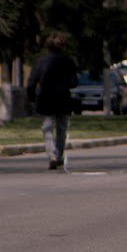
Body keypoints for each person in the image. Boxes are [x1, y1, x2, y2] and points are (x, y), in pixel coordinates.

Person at [25, 33, 79, 171]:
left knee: (47, 127)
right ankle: (59, 155)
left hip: (46, 98)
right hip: (63, 99)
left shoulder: (40, 62)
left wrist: (31, 97)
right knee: (61, 128)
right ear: (63, 46)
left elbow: (31, 82)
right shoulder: (68, 61)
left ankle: (52, 155)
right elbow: (74, 82)